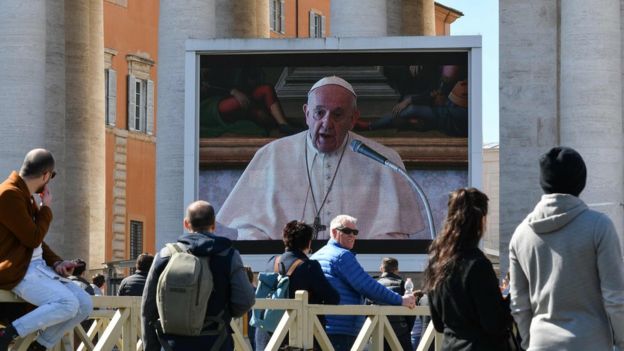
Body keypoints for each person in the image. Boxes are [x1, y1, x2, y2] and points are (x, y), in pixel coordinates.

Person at [217, 76, 424, 240]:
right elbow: (250, 229)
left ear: (353, 119)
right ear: (307, 114)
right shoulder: (271, 156)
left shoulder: (383, 159)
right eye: (319, 112)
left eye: (337, 114)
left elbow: (394, 235)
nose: (327, 123)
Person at [509, 146, 624, 350]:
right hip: (590, 342)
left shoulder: (520, 234)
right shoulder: (599, 226)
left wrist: (529, 342)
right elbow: (615, 298)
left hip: (540, 343)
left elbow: (519, 305)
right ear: (581, 181)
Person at [0, 149, 93, 351]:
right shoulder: (9, 194)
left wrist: (58, 262)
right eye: (51, 176)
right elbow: (33, 238)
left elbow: (36, 241)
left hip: (37, 268)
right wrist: (46, 208)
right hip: (18, 271)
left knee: (85, 303)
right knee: (68, 303)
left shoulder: (25, 196)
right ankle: (8, 334)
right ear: (45, 175)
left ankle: (40, 346)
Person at [141, 200, 255, 351]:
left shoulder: (164, 256)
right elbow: (245, 300)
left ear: (186, 224)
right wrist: (224, 314)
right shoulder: (229, 255)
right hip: (216, 342)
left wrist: (151, 348)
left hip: (171, 344)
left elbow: (148, 309)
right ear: (214, 224)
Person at [423, 188, 512, 350]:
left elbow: (438, 324)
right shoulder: (478, 264)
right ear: (480, 220)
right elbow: (495, 323)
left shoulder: (436, 261)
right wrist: (510, 297)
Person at [311, 215, 416, 350]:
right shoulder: (342, 255)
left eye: (355, 232)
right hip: (341, 330)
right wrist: (401, 300)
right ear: (333, 232)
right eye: (347, 231)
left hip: (320, 327)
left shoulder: (317, 255)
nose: (352, 235)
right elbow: (367, 286)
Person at [255, 220, 340, 350]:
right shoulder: (309, 266)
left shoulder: (272, 262)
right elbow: (333, 298)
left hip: (267, 335)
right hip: (297, 339)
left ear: (285, 239)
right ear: (309, 242)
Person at [373, 257, 415, 351]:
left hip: (378, 331)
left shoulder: (373, 285)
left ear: (381, 269)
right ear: (397, 270)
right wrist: (406, 329)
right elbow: (411, 311)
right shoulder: (402, 284)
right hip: (400, 333)